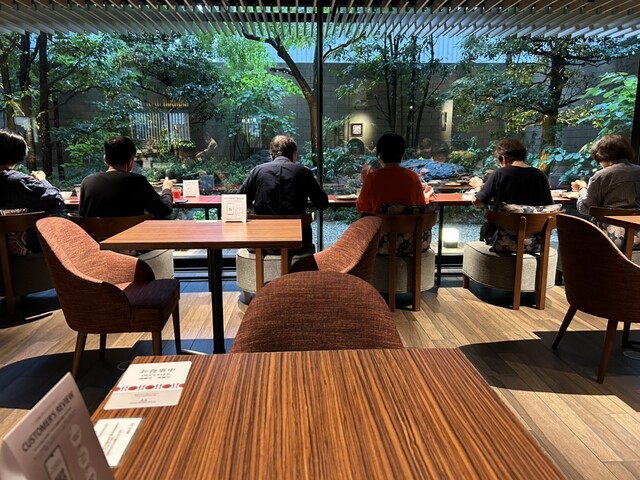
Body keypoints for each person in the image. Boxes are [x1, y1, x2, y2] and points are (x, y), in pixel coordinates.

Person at [238, 134, 328, 249]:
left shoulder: (257, 171)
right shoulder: (304, 173)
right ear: (294, 154)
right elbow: (322, 204)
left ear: (271, 155)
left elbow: (238, 202)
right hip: (298, 245)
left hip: (262, 245)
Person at [470, 139, 552, 243]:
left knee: (485, 228)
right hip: (534, 242)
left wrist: (477, 187)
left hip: (502, 241)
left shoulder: (500, 173)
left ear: (503, 158)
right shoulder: (540, 175)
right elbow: (549, 207)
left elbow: (477, 203)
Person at [0, 129, 65, 252]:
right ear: (20, 154)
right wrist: (42, 180)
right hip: (27, 256)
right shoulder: (20, 182)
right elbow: (56, 203)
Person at [79, 136, 173, 218]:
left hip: (96, 234)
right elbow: (164, 210)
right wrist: (167, 189)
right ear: (131, 160)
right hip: (131, 233)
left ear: (105, 159)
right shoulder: (137, 182)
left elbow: (82, 215)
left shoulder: (87, 182)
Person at [356, 132, 430, 214]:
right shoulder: (412, 177)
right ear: (403, 154)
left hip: (380, 222)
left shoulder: (372, 178)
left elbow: (362, 208)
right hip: (407, 222)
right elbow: (420, 205)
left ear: (380, 155)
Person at [571, 134, 640, 215]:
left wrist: (581, 189)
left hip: (608, 222)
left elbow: (587, 209)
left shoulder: (601, 176)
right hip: (636, 222)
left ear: (601, 156)